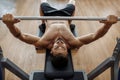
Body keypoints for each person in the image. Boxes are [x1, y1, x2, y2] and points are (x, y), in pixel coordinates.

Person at [2, 0, 118, 68]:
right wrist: (108, 25)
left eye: (57, 47)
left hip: (49, 15)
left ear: (51, 51)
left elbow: (21, 36)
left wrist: (10, 24)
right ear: (67, 50)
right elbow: (95, 36)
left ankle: (43, 22)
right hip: (65, 16)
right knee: (72, 1)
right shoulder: (73, 42)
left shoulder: (43, 42)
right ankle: (66, 20)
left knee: (42, 1)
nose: (60, 43)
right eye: (63, 47)